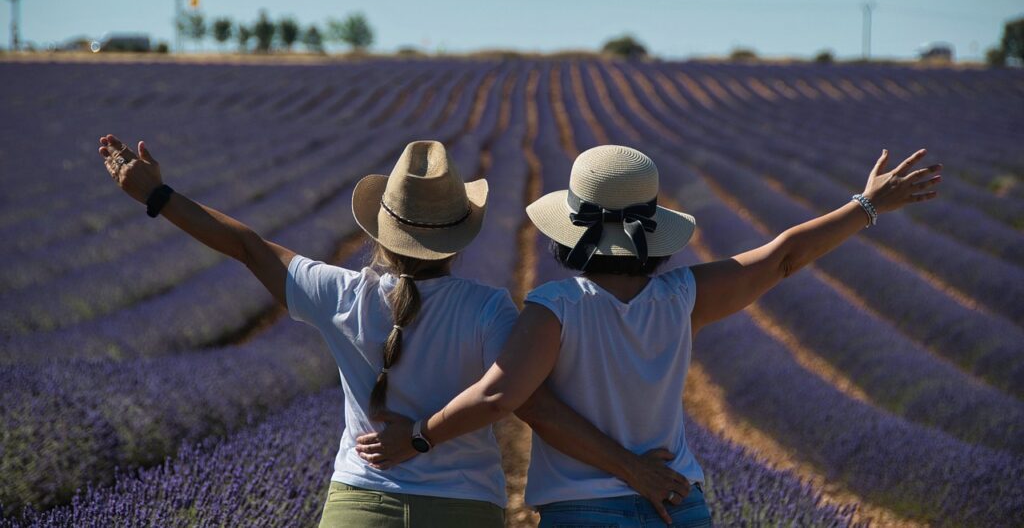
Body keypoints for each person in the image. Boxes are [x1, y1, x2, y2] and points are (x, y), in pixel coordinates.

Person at [97, 135, 691, 527]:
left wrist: (156, 195)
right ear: (460, 232)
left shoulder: (339, 294)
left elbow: (248, 246)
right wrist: (629, 462)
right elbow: (520, 399)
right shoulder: (490, 309)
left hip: (361, 504)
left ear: (380, 229)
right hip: (465, 510)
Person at [355, 144, 942, 527]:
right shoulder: (682, 296)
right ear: (653, 231)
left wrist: (421, 439)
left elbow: (502, 397)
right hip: (679, 504)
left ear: (568, 228)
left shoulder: (554, 307)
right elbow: (784, 256)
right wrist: (867, 205)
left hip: (584, 511)